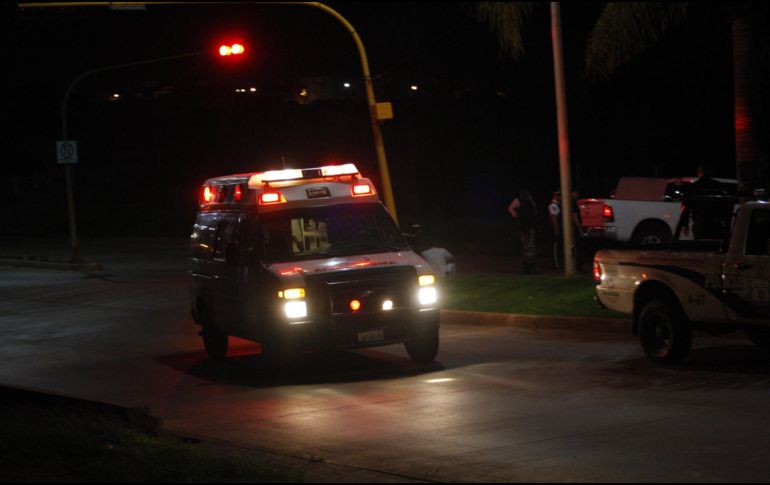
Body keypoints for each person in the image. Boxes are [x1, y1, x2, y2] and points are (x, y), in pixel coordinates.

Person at [683, 164, 730, 240]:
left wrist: (685, 224)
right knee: (715, 244)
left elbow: (686, 207)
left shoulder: (693, 187)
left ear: (699, 173)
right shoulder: (719, 186)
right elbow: (725, 205)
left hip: (700, 223)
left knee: (701, 245)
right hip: (716, 223)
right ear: (709, 172)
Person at [516, 190, 538, 273]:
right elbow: (526, 219)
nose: (531, 197)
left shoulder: (525, 206)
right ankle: (529, 268)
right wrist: (527, 230)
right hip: (527, 229)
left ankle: (528, 267)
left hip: (526, 229)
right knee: (529, 248)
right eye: (529, 196)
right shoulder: (525, 206)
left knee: (528, 248)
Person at [548, 190, 563, 269]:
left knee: (559, 246)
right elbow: (554, 217)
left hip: (559, 227)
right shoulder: (554, 205)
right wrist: (556, 229)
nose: (560, 197)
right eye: (558, 195)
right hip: (556, 228)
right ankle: (556, 264)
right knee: (556, 246)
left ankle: (558, 263)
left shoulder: (559, 204)